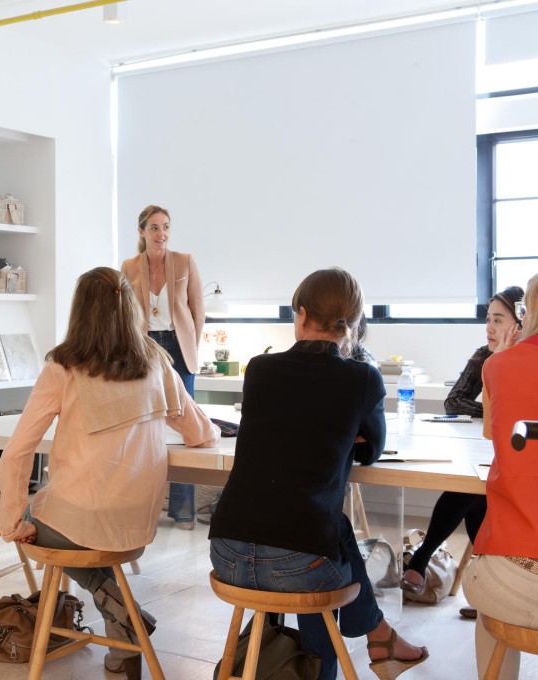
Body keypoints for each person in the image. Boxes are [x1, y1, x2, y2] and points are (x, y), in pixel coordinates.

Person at [0, 266, 220, 680]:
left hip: (80, 519)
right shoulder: (157, 363)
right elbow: (199, 432)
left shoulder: (63, 368)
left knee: (35, 524)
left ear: (78, 314)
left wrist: (12, 521)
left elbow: (17, 453)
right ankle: (123, 621)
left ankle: (122, 613)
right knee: (60, 522)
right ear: (132, 309)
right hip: (138, 522)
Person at [209, 267, 428, 680]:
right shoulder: (362, 378)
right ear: (354, 324)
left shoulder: (259, 369)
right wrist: (343, 434)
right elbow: (373, 450)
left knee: (328, 533)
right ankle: (375, 637)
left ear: (303, 315)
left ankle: (378, 636)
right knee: (320, 545)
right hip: (297, 561)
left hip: (226, 553)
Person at [400, 286, 525, 618]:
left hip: (516, 462)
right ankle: (485, 587)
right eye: (488, 319)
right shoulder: (485, 355)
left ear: (521, 322)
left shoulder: (523, 360)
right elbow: (454, 401)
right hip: (485, 450)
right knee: (473, 490)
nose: (490, 328)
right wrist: (493, 412)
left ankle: (426, 560)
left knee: (472, 489)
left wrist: (492, 410)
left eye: (498, 320)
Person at [463, 273, 538, 680]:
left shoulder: (499, 365)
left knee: (490, 596)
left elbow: (494, 433)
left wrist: (500, 362)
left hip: (512, 574)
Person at [121, 205, 207, 530]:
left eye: (166, 227)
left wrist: (192, 347)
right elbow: (125, 312)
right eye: (155, 228)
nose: (162, 234)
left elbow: (198, 311)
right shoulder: (129, 266)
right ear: (141, 231)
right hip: (144, 347)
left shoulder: (184, 261)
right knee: (145, 423)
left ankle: (184, 511)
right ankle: (145, 507)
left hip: (178, 346)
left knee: (187, 425)